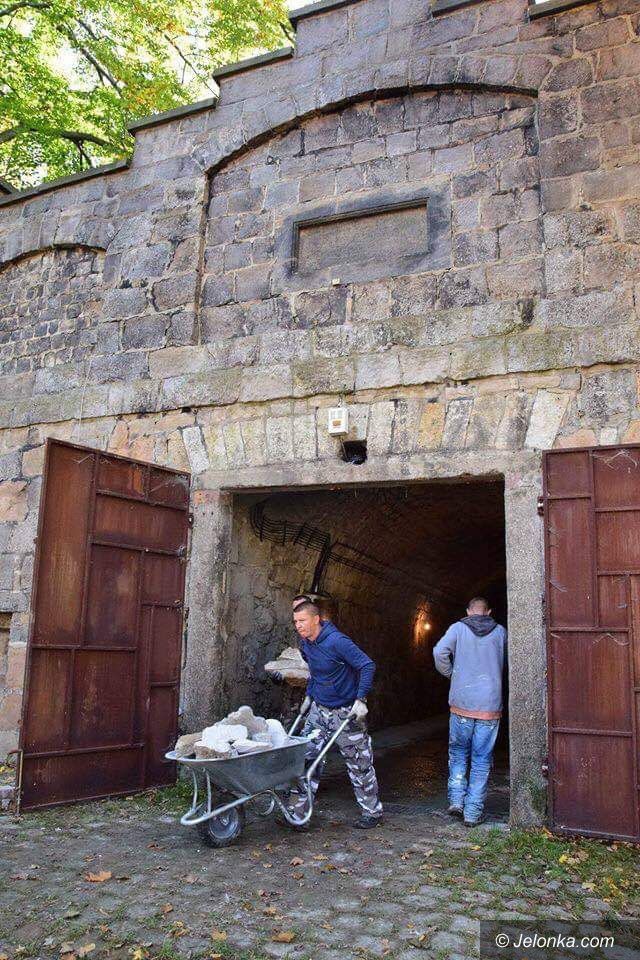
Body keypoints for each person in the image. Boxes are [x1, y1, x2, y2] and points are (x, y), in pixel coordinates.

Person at [286, 600, 383, 829]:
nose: (298, 625)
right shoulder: (306, 643)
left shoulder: (337, 641)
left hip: (346, 712)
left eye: (302, 620)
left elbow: (367, 665)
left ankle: (372, 813)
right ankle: (298, 814)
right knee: (304, 757)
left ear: (316, 619)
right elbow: (315, 672)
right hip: (319, 710)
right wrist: (309, 696)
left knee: (359, 762)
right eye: (295, 622)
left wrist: (360, 699)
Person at [432, 597, 507, 827]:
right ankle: (473, 812)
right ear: (489, 612)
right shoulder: (500, 632)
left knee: (458, 753)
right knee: (482, 759)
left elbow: (439, 652)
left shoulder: (457, 628)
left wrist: (452, 675)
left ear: (468, 611)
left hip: (462, 703)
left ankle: (456, 800)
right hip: (489, 705)